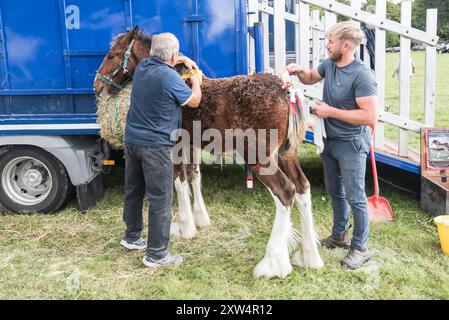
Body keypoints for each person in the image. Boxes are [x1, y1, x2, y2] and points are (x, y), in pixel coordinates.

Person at [286, 21, 378, 270]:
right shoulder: (330, 64)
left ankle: (360, 248)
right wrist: (298, 71)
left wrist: (329, 112)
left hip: (351, 143)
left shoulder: (362, 75)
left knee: (355, 196)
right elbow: (311, 78)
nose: (326, 45)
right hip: (330, 140)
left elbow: (369, 117)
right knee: (334, 190)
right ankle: (339, 235)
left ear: (346, 45)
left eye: (330, 42)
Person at [120, 33, 202, 268]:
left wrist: (182, 59)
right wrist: (194, 77)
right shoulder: (169, 78)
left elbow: (167, 58)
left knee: (134, 191)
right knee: (160, 198)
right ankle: (156, 255)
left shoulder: (144, 65)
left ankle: (132, 237)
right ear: (173, 55)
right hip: (155, 146)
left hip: (133, 140)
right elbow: (194, 101)